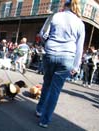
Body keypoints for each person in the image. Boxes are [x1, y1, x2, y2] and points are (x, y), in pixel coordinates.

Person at [36, 0, 85, 128]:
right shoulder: (80, 23)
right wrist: (76, 66)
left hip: (50, 54)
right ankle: (44, 120)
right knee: (55, 90)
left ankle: (39, 109)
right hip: (67, 57)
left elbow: (42, 34)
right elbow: (79, 47)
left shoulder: (55, 16)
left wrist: (47, 43)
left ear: (65, 5)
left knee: (46, 83)